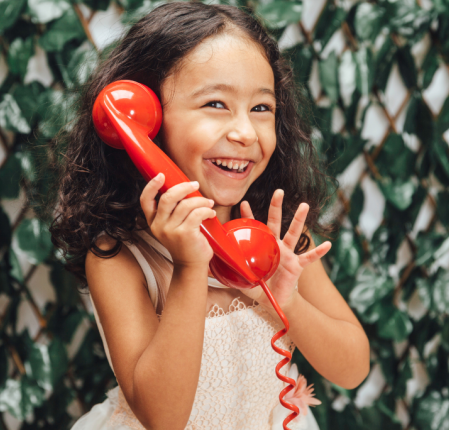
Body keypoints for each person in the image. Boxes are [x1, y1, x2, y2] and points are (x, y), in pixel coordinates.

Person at [47, 3, 370, 429]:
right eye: (216, 104)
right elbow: (164, 417)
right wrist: (189, 265)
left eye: (261, 108)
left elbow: (353, 369)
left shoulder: (281, 236)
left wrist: (284, 299)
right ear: (148, 124)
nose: (245, 133)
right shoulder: (118, 257)